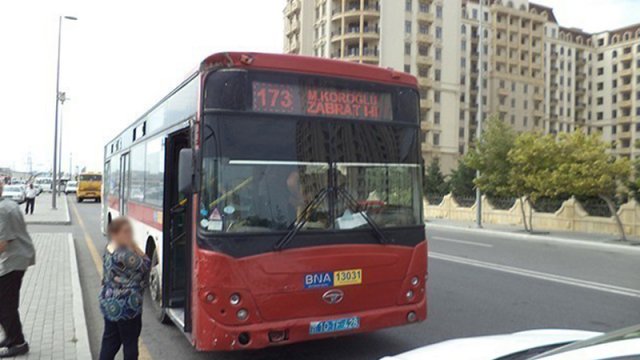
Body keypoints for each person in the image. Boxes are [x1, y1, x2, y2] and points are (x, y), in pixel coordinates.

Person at [98, 217, 150, 360]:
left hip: (109, 303)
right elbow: (146, 263)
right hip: (126, 306)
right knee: (130, 342)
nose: (129, 235)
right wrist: (134, 246)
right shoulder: (125, 253)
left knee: (110, 341)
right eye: (125, 232)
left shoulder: (109, 247)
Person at [0, 182, 35, 358]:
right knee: (6, 304)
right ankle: (11, 337)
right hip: (17, 259)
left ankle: (18, 342)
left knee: (5, 306)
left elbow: (2, 243)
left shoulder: (1, 210)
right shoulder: (9, 204)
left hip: (11, 263)